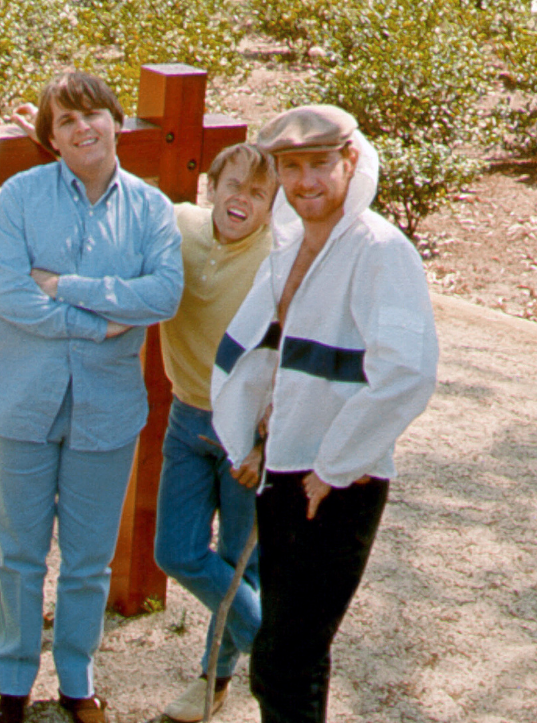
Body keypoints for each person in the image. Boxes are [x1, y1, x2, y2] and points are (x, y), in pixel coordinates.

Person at [211, 105, 439, 723]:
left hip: (336, 483)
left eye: (319, 165)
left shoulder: (380, 251)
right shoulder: (288, 246)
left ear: (351, 162)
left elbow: (406, 374)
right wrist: (252, 439)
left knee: (286, 659)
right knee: (289, 659)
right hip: (284, 468)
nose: (305, 182)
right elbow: (272, 356)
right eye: (291, 168)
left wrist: (335, 467)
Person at [0, 71, 183, 723]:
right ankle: (12, 683)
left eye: (93, 113)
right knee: (19, 555)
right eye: (66, 121)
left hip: (108, 410)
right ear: (51, 139)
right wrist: (101, 320)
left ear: (115, 121)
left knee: (89, 560)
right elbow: (8, 297)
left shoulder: (151, 209)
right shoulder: (19, 197)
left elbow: (164, 295)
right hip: (20, 405)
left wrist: (62, 285)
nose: (82, 127)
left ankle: (76, 679)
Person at [153, 143, 277, 722]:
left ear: (271, 206)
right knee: (176, 552)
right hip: (186, 418)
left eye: (257, 194)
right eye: (234, 185)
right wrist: (48, 138)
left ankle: (213, 683)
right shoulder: (180, 224)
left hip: (244, 432)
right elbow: (120, 190)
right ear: (211, 187)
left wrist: (264, 441)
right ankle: (278, 651)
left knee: (237, 561)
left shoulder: (279, 260)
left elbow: (293, 357)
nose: (242, 200)